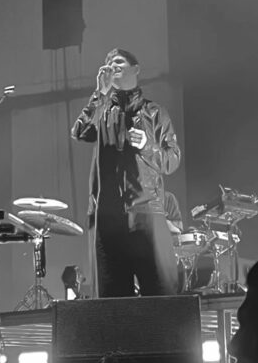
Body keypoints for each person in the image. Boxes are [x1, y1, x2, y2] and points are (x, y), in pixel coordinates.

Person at [71, 48, 181, 297]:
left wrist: (147, 146)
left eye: (119, 61)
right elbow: (80, 132)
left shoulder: (155, 112)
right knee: (114, 298)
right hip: (108, 215)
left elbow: (172, 160)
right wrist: (100, 93)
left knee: (159, 292)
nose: (113, 65)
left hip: (147, 210)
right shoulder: (101, 111)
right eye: (109, 62)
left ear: (136, 69)